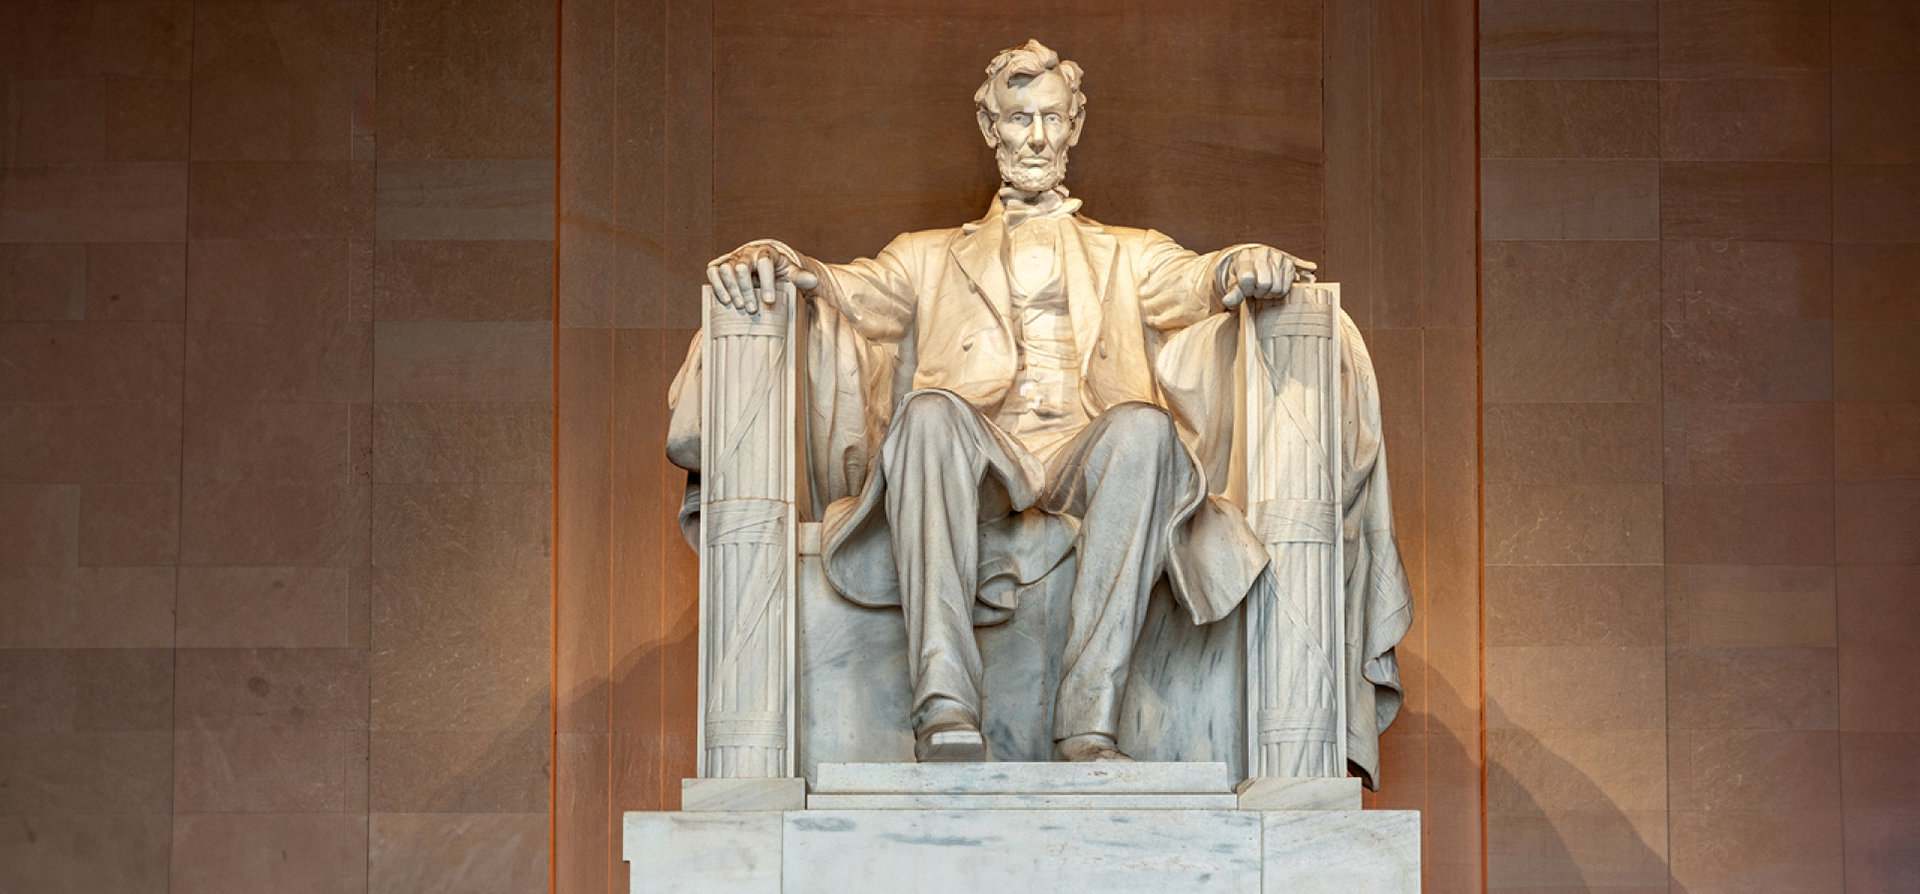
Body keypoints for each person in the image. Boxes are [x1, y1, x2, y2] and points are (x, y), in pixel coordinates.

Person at [694, 40, 1406, 773]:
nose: (1035, 137)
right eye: (1018, 118)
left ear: (1076, 124)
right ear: (988, 126)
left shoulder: (1129, 252)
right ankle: (944, 708)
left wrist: (1239, 263)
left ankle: (1088, 725)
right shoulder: (928, 254)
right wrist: (790, 265)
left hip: (1083, 451)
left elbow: (1194, 282)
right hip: (977, 457)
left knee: (1145, 429)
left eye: (1051, 119)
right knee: (928, 413)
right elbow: (854, 291)